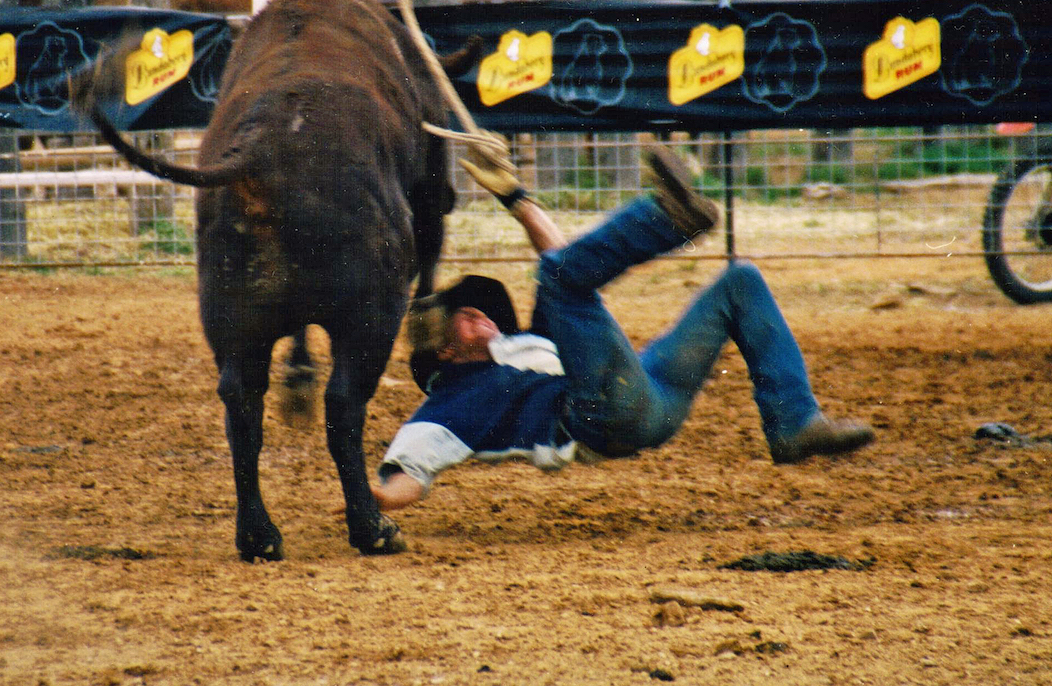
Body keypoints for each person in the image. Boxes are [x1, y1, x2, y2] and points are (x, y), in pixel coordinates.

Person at [370, 144, 874, 511]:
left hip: (647, 397)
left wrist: (516, 197)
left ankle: (793, 424)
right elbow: (405, 481)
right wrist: (362, 492)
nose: (480, 316)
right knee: (558, 278)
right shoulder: (447, 406)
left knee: (740, 282)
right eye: (463, 320)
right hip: (599, 417)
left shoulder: (523, 346)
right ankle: (664, 219)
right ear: (447, 356)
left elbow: (560, 257)